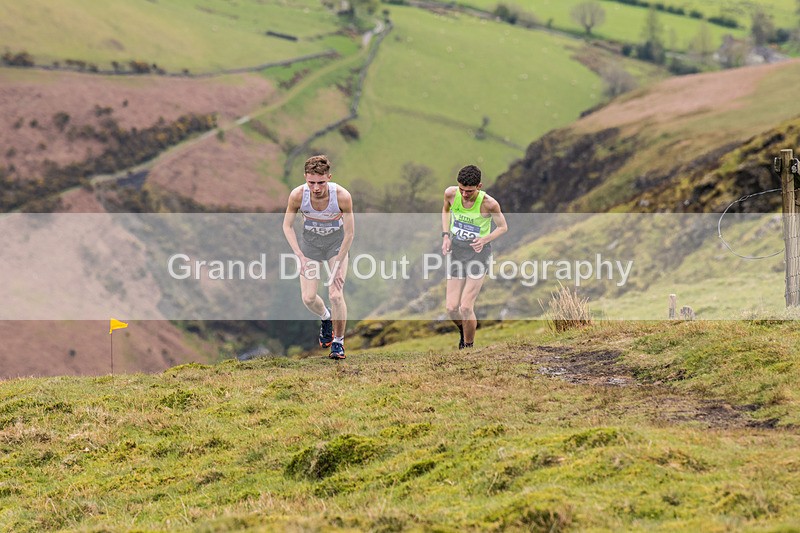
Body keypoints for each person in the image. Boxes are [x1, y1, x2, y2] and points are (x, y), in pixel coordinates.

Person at [283, 155, 354, 360]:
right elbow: (287, 226)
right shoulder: (297, 195)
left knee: (335, 294)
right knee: (308, 297)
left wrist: (338, 265)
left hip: (336, 245)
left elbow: (349, 234)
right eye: (311, 182)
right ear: (305, 177)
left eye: (321, 182)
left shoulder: (342, 196)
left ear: (329, 178)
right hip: (310, 244)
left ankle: (338, 343)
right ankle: (326, 318)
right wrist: (299, 255)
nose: (316, 188)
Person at [442, 164, 508, 349]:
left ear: (479, 186)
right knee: (451, 308)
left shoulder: (489, 203)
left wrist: (485, 239)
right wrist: (445, 236)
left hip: (478, 254)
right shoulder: (450, 194)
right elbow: (445, 211)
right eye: (461, 189)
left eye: (469, 191)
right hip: (457, 250)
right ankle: (465, 331)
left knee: (465, 307)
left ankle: (468, 348)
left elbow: (503, 227)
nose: (464, 194)